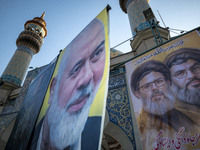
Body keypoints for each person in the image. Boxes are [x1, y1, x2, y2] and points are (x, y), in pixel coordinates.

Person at [34, 18, 106, 150]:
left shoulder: (96, 129)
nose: (87, 77)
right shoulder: (26, 134)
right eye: (76, 69)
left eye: (97, 54)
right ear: (53, 88)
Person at [130, 60, 195, 150]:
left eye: (159, 81)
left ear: (168, 83)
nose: (155, 88)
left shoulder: (190, 116)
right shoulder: (140, 128)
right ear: (138, 94)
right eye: (147, 86)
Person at [164, 48, 200, 126]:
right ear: (170, 82)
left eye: (196, 68)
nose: (191, 75)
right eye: (180, 73)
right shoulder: (171, 119)